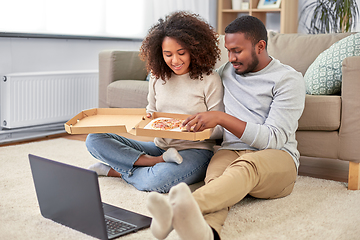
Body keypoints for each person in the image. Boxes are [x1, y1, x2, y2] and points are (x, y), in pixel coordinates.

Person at [146, 15, 306, 239]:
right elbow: (193, 81)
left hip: (277, 157)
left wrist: (220, 118)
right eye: (228, 50)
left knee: (245, 166)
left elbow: (274, 139)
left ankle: (175, 211)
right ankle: (208, 232)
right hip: (229, 151)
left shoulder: (288, 80)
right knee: (219, 184)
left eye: (237, 51)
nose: (231, 58)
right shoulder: (227, 72)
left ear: (260, 46)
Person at [85, 11, 224, 193]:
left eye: (181, 53)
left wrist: (200, 126)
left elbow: (221, 128)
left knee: (156, 181)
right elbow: (151, 112)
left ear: (195, 49)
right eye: (168, 54)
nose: (175, 60)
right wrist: (148, 118)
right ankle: (153, 162)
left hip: (195, 151)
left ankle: (115, 171)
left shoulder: (210, 79)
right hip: (160, 148)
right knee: (94, 138)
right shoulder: (158, 77)